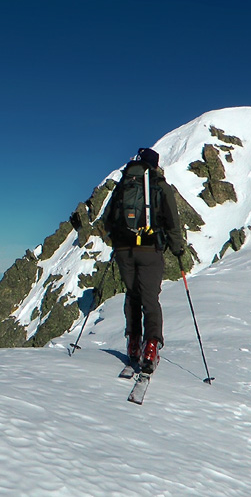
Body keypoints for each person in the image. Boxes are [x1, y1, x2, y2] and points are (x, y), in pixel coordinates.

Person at [105, 147, 185, 373]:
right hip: (150, 249)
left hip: (124, 250)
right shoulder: (160, 186)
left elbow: (108, 219)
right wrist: (177, 249)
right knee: (150, 298)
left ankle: (133, 344)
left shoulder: (123, 185)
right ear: (155, 165)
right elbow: (172, 222)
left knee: (132, 295)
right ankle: (150, 347)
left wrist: (117, 240)